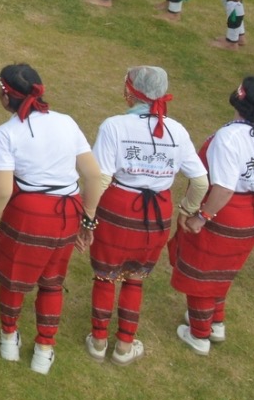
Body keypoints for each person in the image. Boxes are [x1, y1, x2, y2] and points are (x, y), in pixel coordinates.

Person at [0, 64, 104, 375]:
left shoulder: (6, 133)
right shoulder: (67, 122)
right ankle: (44, 351)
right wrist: (87, 221)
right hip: (65, 215)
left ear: (6, 97)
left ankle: (9, 340)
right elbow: (93, 176)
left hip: (27, 214)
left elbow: (3, 188)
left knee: (14, 279)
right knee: (52, 283)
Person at [84, 66, 207, 365]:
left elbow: (100, 178)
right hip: (158, 213)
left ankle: (99, 341)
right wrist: (187, 211)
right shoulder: (177, 131)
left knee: (105, 275)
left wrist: (87, 216)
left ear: (131, 91)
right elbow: (201, 181)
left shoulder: (114, 126)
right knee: (135, 278)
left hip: (117, 207)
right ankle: (125, 344)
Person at [170, 76, 254, 355]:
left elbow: (224, 188)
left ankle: (200, 335)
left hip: (225, 212)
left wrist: (202, 216)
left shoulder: (227, 136)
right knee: (224, 271)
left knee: (203, 271)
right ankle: (215, 322)